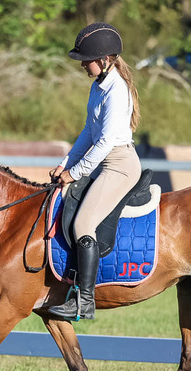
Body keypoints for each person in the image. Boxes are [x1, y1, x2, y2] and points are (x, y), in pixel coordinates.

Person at [48, 22, 142, 321]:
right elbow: (88, 131)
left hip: (121, 165)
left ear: (105, 60)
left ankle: (84, 302)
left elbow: (104, 142)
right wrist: (65, 163)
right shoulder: (98, 86)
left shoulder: (117, 90)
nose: (82, 66)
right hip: (103, 161)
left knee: (82, 224)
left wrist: (75, 173)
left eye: (86, 60)